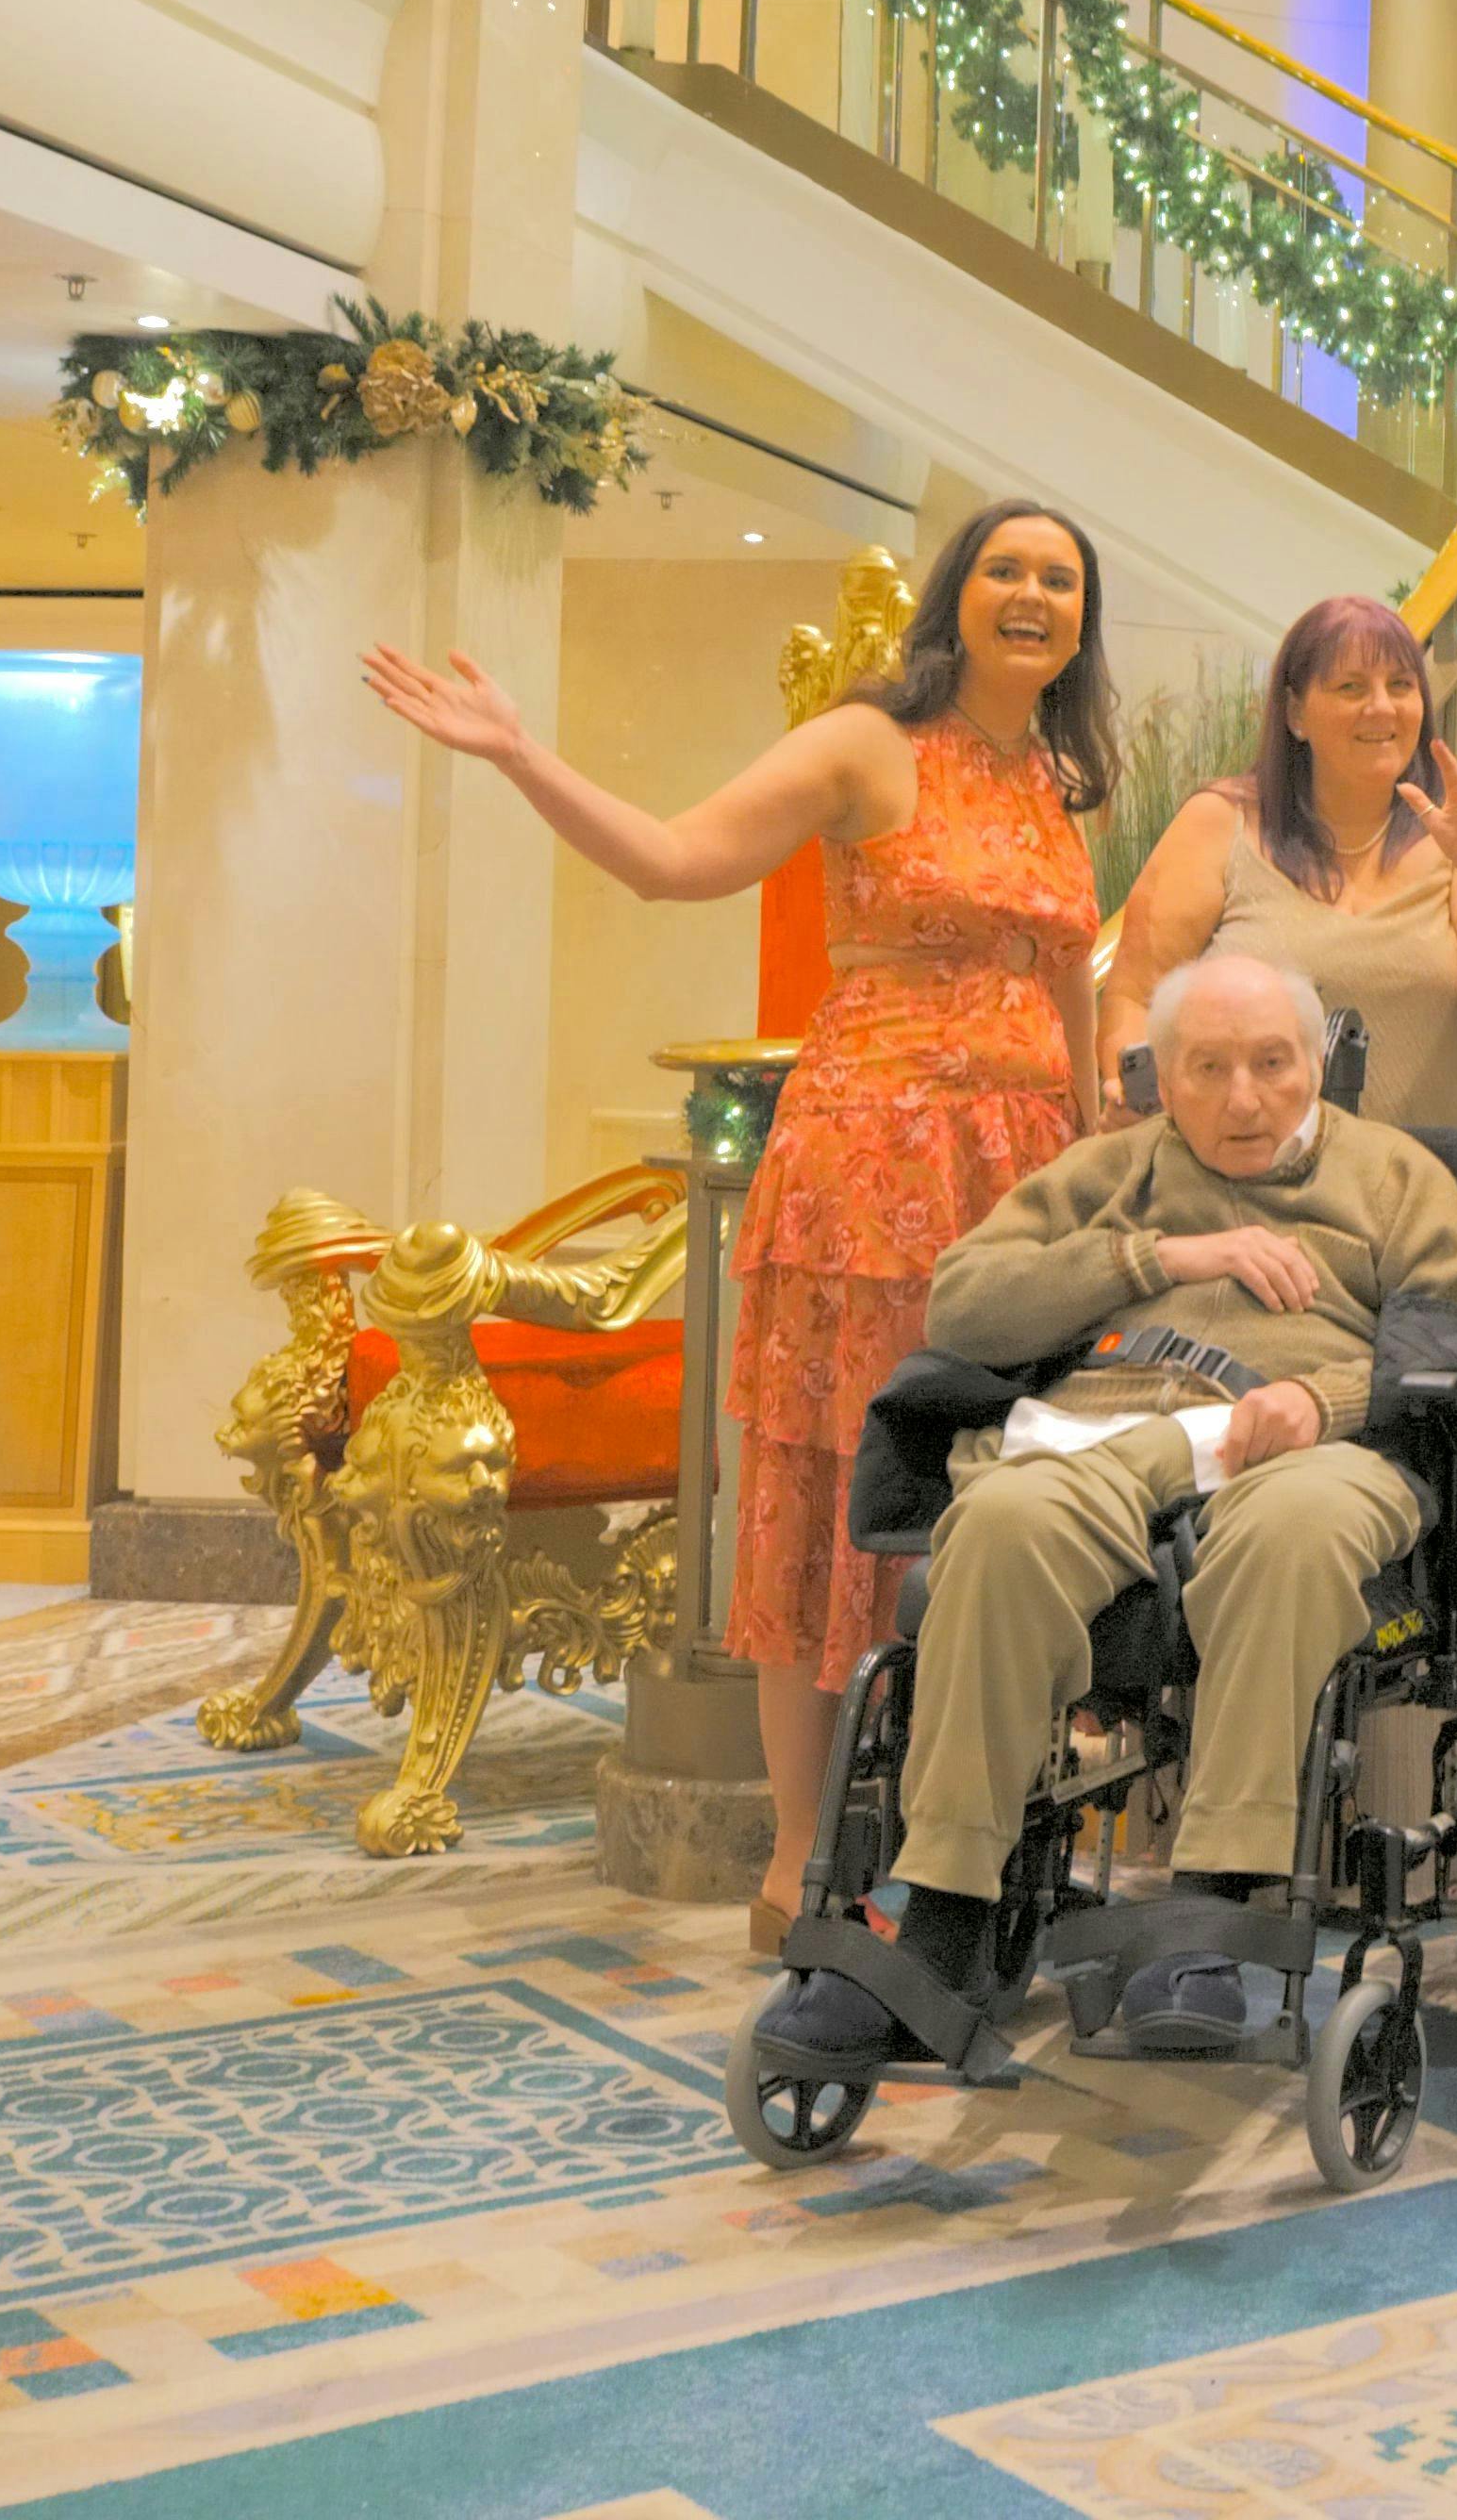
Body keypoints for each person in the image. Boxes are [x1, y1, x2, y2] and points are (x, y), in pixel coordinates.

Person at [365, 499, 1104, 1955]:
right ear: (957, 596)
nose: (1031, 594)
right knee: (846, 1501)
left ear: (1082, 620)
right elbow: (674, 858)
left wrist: (1091, 1167)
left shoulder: (1059, 778)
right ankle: (804, 1868)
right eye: (1006, 570)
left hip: (1017, 1188)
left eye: (1059, 579)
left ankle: (958, 1852)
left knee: (990, 1503)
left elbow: (1067, 986)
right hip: (870, 1175)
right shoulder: (862, 743)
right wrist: (522, 755)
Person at [749, 951, 1457, 2064]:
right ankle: (943, 1914)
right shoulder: (1106, 1173)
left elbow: (1439, 1348)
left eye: (1273, 1063)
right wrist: (1154, 1254)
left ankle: (1212, 1903)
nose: (1243, 1097)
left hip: (1299, 1442)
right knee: (996, 1523)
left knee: (1294, 1533)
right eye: (1210, 1068)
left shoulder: (1395, 1177)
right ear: (1162, 1079)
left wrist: (1316, 1396)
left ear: (1318, 1061)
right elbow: (965, 1301)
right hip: (1104, 1427)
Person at [1097, 593, 1457, 1135]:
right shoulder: (1220, 823)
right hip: (1248, 1196)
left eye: (1400, 685)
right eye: (1350, 687)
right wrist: (1141, 1101)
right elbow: (1134, 996)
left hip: (1431, 1198)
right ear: (1295, 713)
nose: (1381, 707)